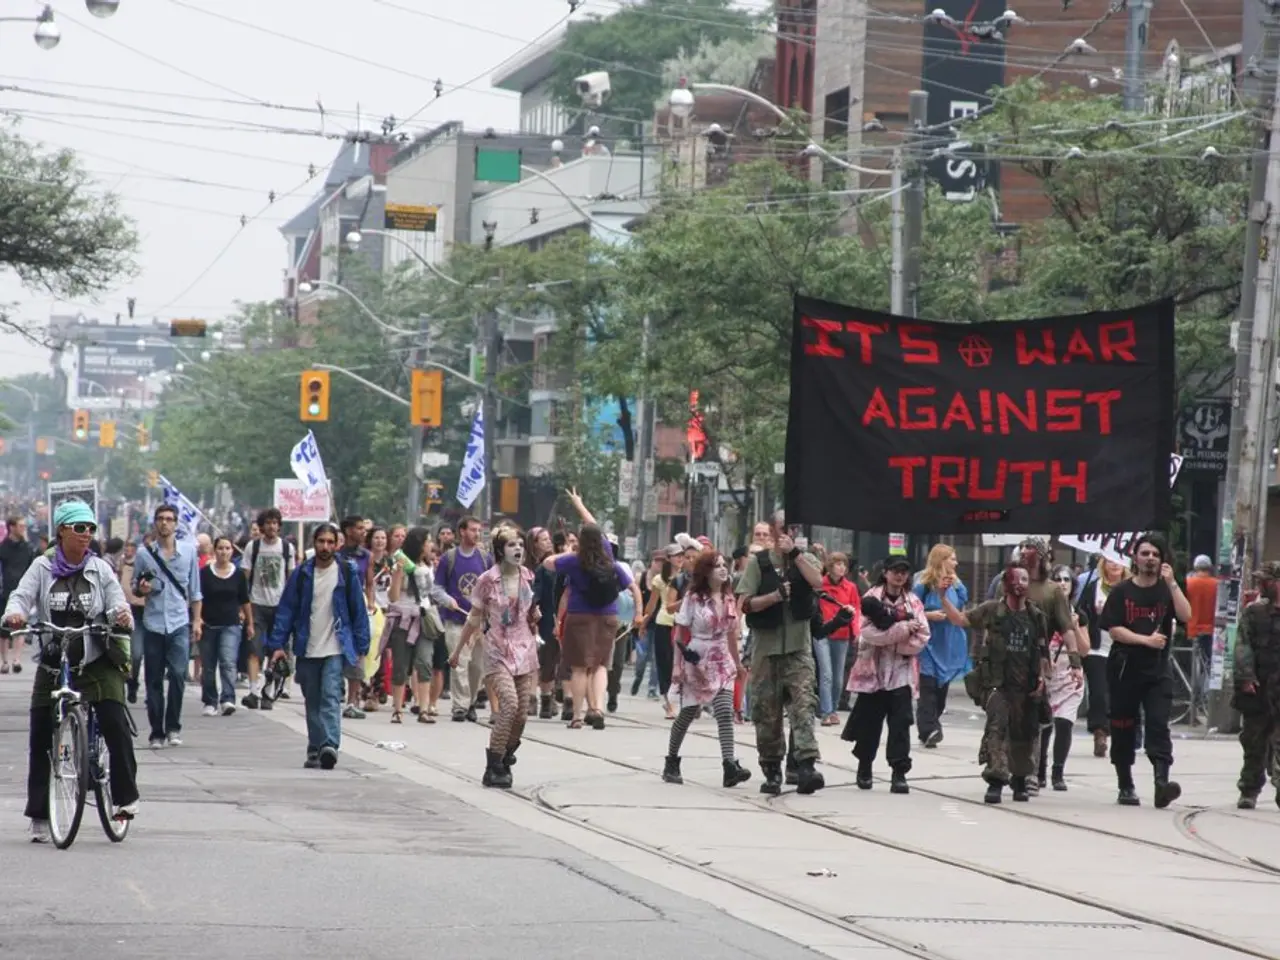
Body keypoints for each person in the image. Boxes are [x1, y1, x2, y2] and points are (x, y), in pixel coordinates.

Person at [2, 499, 139, 842]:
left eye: (91, 528)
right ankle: (39, 815)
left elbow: (117, 602)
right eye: (80, 528)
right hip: (54, 657)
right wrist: (15, 615)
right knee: (40, 733)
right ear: (62, 530)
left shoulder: (100, 568)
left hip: (96, 657)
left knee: (114, 721)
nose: (87, 534)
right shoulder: (42, 566)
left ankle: (124, 799)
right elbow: (21, 596)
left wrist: (122, 615)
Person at [941, 564, 1054, 804]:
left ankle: (1020, 780)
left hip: (1026, 686)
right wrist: (943, 597)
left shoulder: (1036, 616)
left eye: (1025, 579)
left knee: (1025, 733)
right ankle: (995, 780)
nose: (1020, 584)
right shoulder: (992, 610)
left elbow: (1043, 651)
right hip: (998, 684)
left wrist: (1043, 679)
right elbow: (960, 619)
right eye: (1016, 579)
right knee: (997, 728)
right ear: (1005, 584)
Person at [264, 524, 371, 770]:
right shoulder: (302, 574)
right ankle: (315, 747)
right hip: (307, 646)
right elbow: (286, 610)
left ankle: (329, 745)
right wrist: (277, 644)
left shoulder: (346, 572)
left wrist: (361, 646)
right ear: (314, 543)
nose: (325, 547)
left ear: (337, 544)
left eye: (330, 542)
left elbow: (358, 610)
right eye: (321, 541)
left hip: (335, 646)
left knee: (330, 696)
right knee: (312, 699)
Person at [734, 510, 825, 796]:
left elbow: (817, 582)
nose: (790, 531)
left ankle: (806, 765)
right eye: (784, 527)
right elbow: (745, 603)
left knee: (804, 705)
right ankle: (771, 767)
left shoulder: (805, 559)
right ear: (772, 530)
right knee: (767, 712)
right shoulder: (759, 563)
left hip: (798, 647)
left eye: (794, 527)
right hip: (767, 649)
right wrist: (774, 597)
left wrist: (795, 554)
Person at [1096, 533, 1191, 808]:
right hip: (1125, 668)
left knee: (1158, 724)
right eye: (1145, 553)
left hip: (1157, 670)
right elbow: (1114, 630)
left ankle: (1162, 783)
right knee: (1123, 725)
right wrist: (1145, 640)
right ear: (1135, 558)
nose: (1150, 558)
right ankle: (1125, 784)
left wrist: (1172, 583)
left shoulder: (1167, 589)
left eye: (1155, 554)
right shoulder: (1122, 592)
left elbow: (1186, 615)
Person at [453, 525, 541, 787]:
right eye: (512, 545)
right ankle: (493, 765)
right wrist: (457, 651)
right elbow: (474, 617)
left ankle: (505, 758)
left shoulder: (528, 577)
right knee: (509, 704)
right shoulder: (487, 580)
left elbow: (529, 612)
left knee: (522, 714)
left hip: (524, 650)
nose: (518, 549)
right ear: (501, 551)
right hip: (498, 650)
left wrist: (535, 616)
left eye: (521, 545)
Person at [662, 550, 751, 788]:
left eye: (724, 565)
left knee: (724, 711)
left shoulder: (729, 598)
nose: (723, 569)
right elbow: (680, 633)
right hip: (698, 659)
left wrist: (738, 664)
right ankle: (671, 761)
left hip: (722, 659)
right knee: (688, 713)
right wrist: (677, 666)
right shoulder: (693, 598)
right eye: (717, 566)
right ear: (706, 572)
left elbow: (731, 634)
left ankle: (729, 765)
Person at [845, 556, 928, 794]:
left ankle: (899, 772)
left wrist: (898, 642)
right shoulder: (871, 598)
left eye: (904, 571)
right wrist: (902, 630)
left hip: (901, 673)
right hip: (873, 672)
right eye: (895, 571)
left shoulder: (913, 602)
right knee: (869, 725)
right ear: (885, 573)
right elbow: (866, 632)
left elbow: (923, 635)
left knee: (900, 724)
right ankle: (865, 767)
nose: (899, 576)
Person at [132, 504, 203, 750]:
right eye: (160, 519)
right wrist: (142, 589)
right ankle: (156, 732)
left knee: (178, 674)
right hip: (153, 623)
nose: (165, 523)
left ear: (176, 523)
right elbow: (135, 586)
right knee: (153, 680)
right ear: (155, 523)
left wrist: (197, 620)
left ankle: (173, 727)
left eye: (169, 519)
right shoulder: (144, 554)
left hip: (179, 622)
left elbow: (195, 591)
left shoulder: (189, 552)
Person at [436, 515, 493, 723]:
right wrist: (447, 599)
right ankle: (460, 706)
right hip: (456, 620)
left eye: (479, 530)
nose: (477, 534)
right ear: (462, 531)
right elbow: (437, 588)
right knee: (459, 663)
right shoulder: (449, 558)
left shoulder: (485, 558)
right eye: (472, 530)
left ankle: (471, 702)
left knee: (477, 666)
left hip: (479, 622)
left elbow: (493, 587)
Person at [912, 544, 970, 748]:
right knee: (927, 686)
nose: (956, 563)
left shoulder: (957, 585)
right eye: (952, 559)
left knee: (941, 690)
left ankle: (930, 725)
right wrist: (928, 615)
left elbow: (962, 607)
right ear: (941, 560)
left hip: (949, 641)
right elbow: (911, 609)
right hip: (928, 642)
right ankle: (929, 728)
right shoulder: (923, 583)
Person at [1233, 561, 1280, 810]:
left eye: (1266, 580)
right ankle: (1249, 789)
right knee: (1253, 741)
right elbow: (1243, 645)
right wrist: (1245, 677)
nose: (1261, 584)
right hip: (1259, 685)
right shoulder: (1254, 612)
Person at [241, 507, 296, 710]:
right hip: (257, 604)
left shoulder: (287, 548)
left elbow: (291, 579)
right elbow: (244, 578)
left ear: (279, 526)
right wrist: (243, 607)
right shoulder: (253, 547)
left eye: (275, 523)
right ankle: (254, 691)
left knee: (277, 652)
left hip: (279, 607)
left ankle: (269, 691)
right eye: (268, 523)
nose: (271, 527)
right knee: (254, 649)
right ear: (262, 526)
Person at [1038, 564, 1087, 790]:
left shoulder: (1080, 615)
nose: (1062, 583)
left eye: (1067, 579)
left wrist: (1074, 627)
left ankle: (1058, 773)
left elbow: (1085, 650)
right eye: (1057, 579)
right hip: (1047, 674)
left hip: (1070, 677)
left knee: (1064, 724)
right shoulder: (1042, 611)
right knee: (1044, 725)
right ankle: (1039, 771)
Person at [199, 536, 252, 717]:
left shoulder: (238, 575)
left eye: (227, 548)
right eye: (220, 548)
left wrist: (250, 623)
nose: (224, 552)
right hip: (208, 625)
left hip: (231, 625)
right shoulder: (205, 573)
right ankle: (209, 701)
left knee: (228, 662)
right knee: (208, 666)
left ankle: (228, 698)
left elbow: (245, 600)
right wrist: (197, 619)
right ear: (214, 550)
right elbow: (198, 597)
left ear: (232, 551)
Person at [815, 552, 860, 726]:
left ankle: (833, 709)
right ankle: (826, 711)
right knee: (826, 673)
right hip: (822, 633)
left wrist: (855, 631)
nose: (842, 568)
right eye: (838, 564)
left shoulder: (850, 587)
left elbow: (856, 610)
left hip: (842, 634)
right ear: (830, 566)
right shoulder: (820, 584)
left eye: (844, 564)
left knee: (838, 676)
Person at [0, 513, 38, 674]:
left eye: (24, 526)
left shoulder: (28, 548)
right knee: (4, 630)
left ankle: (16, 660)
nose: (23, 529)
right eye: (21, 526)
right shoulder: (3, 548)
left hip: (23, 593)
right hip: (4, 592)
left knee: (21, 626)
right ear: (12, 527)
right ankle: (4, 661)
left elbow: (32, 570)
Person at [1186, 554, 1219, 704]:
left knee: (1195, 663)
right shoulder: (1216, 584)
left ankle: (1194, 696)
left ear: (1195, 566)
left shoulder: (1188, 583)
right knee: (1209, 663)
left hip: (1192, 628)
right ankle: (1206, 696)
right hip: (1211, 629)